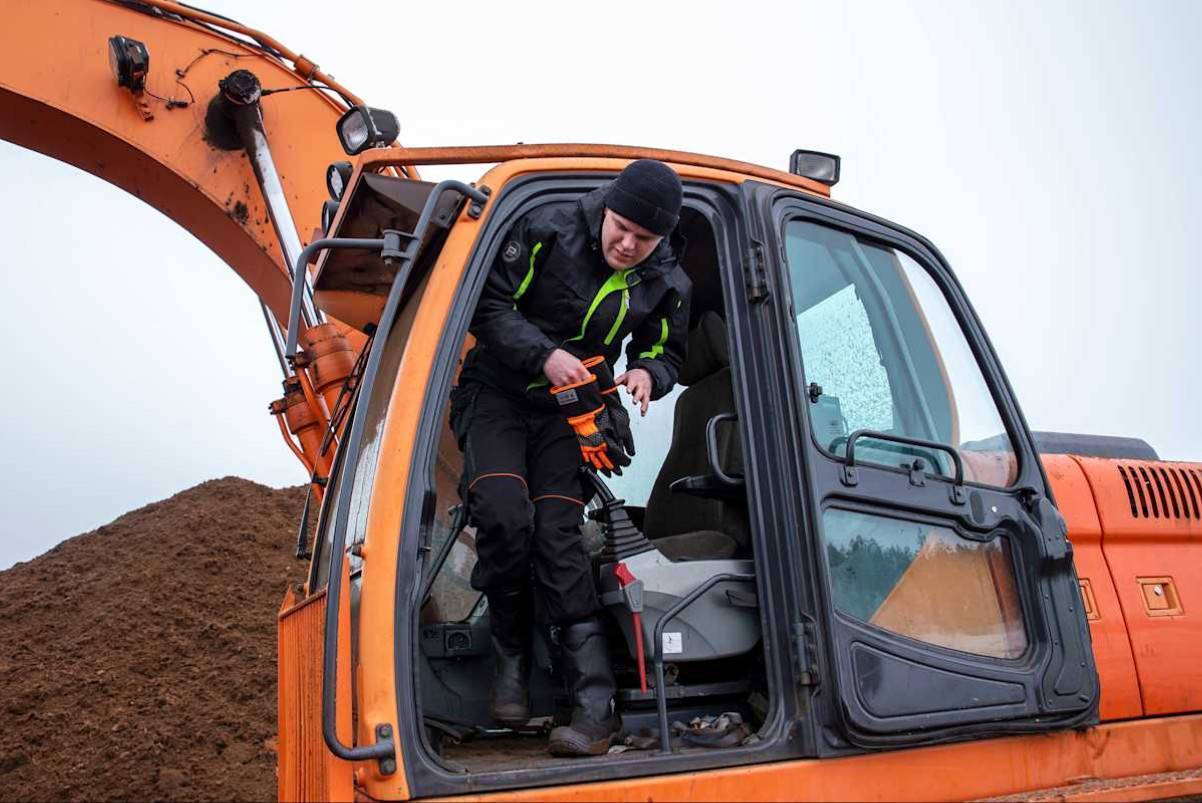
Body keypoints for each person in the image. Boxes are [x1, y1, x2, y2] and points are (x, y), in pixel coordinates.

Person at [448, 159, 691, 756]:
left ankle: (593, 708)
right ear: (606, 209)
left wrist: (647, 372)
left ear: (661, 239)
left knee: (559, 538)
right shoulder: (544, 229)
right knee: (504, 513)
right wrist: (543, 354)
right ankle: (510, 658)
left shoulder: (667, 280)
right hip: (498, 392)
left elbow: (666, 350)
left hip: (570, 411)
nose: (628, 244)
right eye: (621, 228)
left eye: (644, 238)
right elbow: (485, 304)